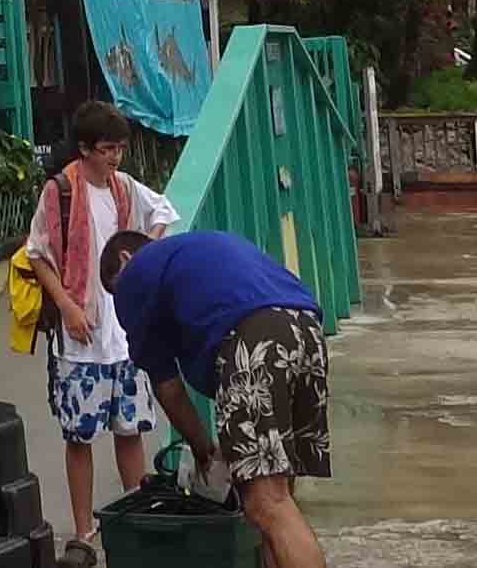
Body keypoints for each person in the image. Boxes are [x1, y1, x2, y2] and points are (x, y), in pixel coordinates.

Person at [101, 228, 332, 568]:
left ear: (125, 257)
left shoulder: (137, 271)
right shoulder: (193, 252)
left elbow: (168, 387)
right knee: (279, 497)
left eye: (114, 289)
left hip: (254, 339)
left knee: (265, 504)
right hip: (306, 331)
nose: (119, 302)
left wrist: (203, 450)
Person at [22, 101, 176, 568]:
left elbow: (163, 211)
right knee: (80, 436)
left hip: (123, 331)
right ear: (85, 148)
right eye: (108, 149)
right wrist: (67, 305)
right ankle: (84, 529)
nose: (116, 158)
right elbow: (37, 252)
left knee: (129, 431)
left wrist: (142, 257)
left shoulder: (124, 187)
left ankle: (133, 515)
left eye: (120, 149)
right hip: (81, 335)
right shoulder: (60, 192)